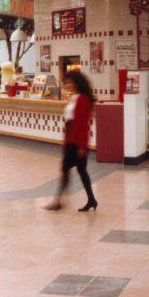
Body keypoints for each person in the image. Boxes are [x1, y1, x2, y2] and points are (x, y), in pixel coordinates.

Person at [43, 70, 97, 212]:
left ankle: (57, 201)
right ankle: (91, 199)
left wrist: (81, 147)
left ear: (76, 83)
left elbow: (81, 125)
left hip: (75, 143)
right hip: (71, 141)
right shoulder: (75, 97)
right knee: (80, 171)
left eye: (69, 81)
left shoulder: (82, 99)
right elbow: (70, 123)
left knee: (67, 170)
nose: (67, 84)